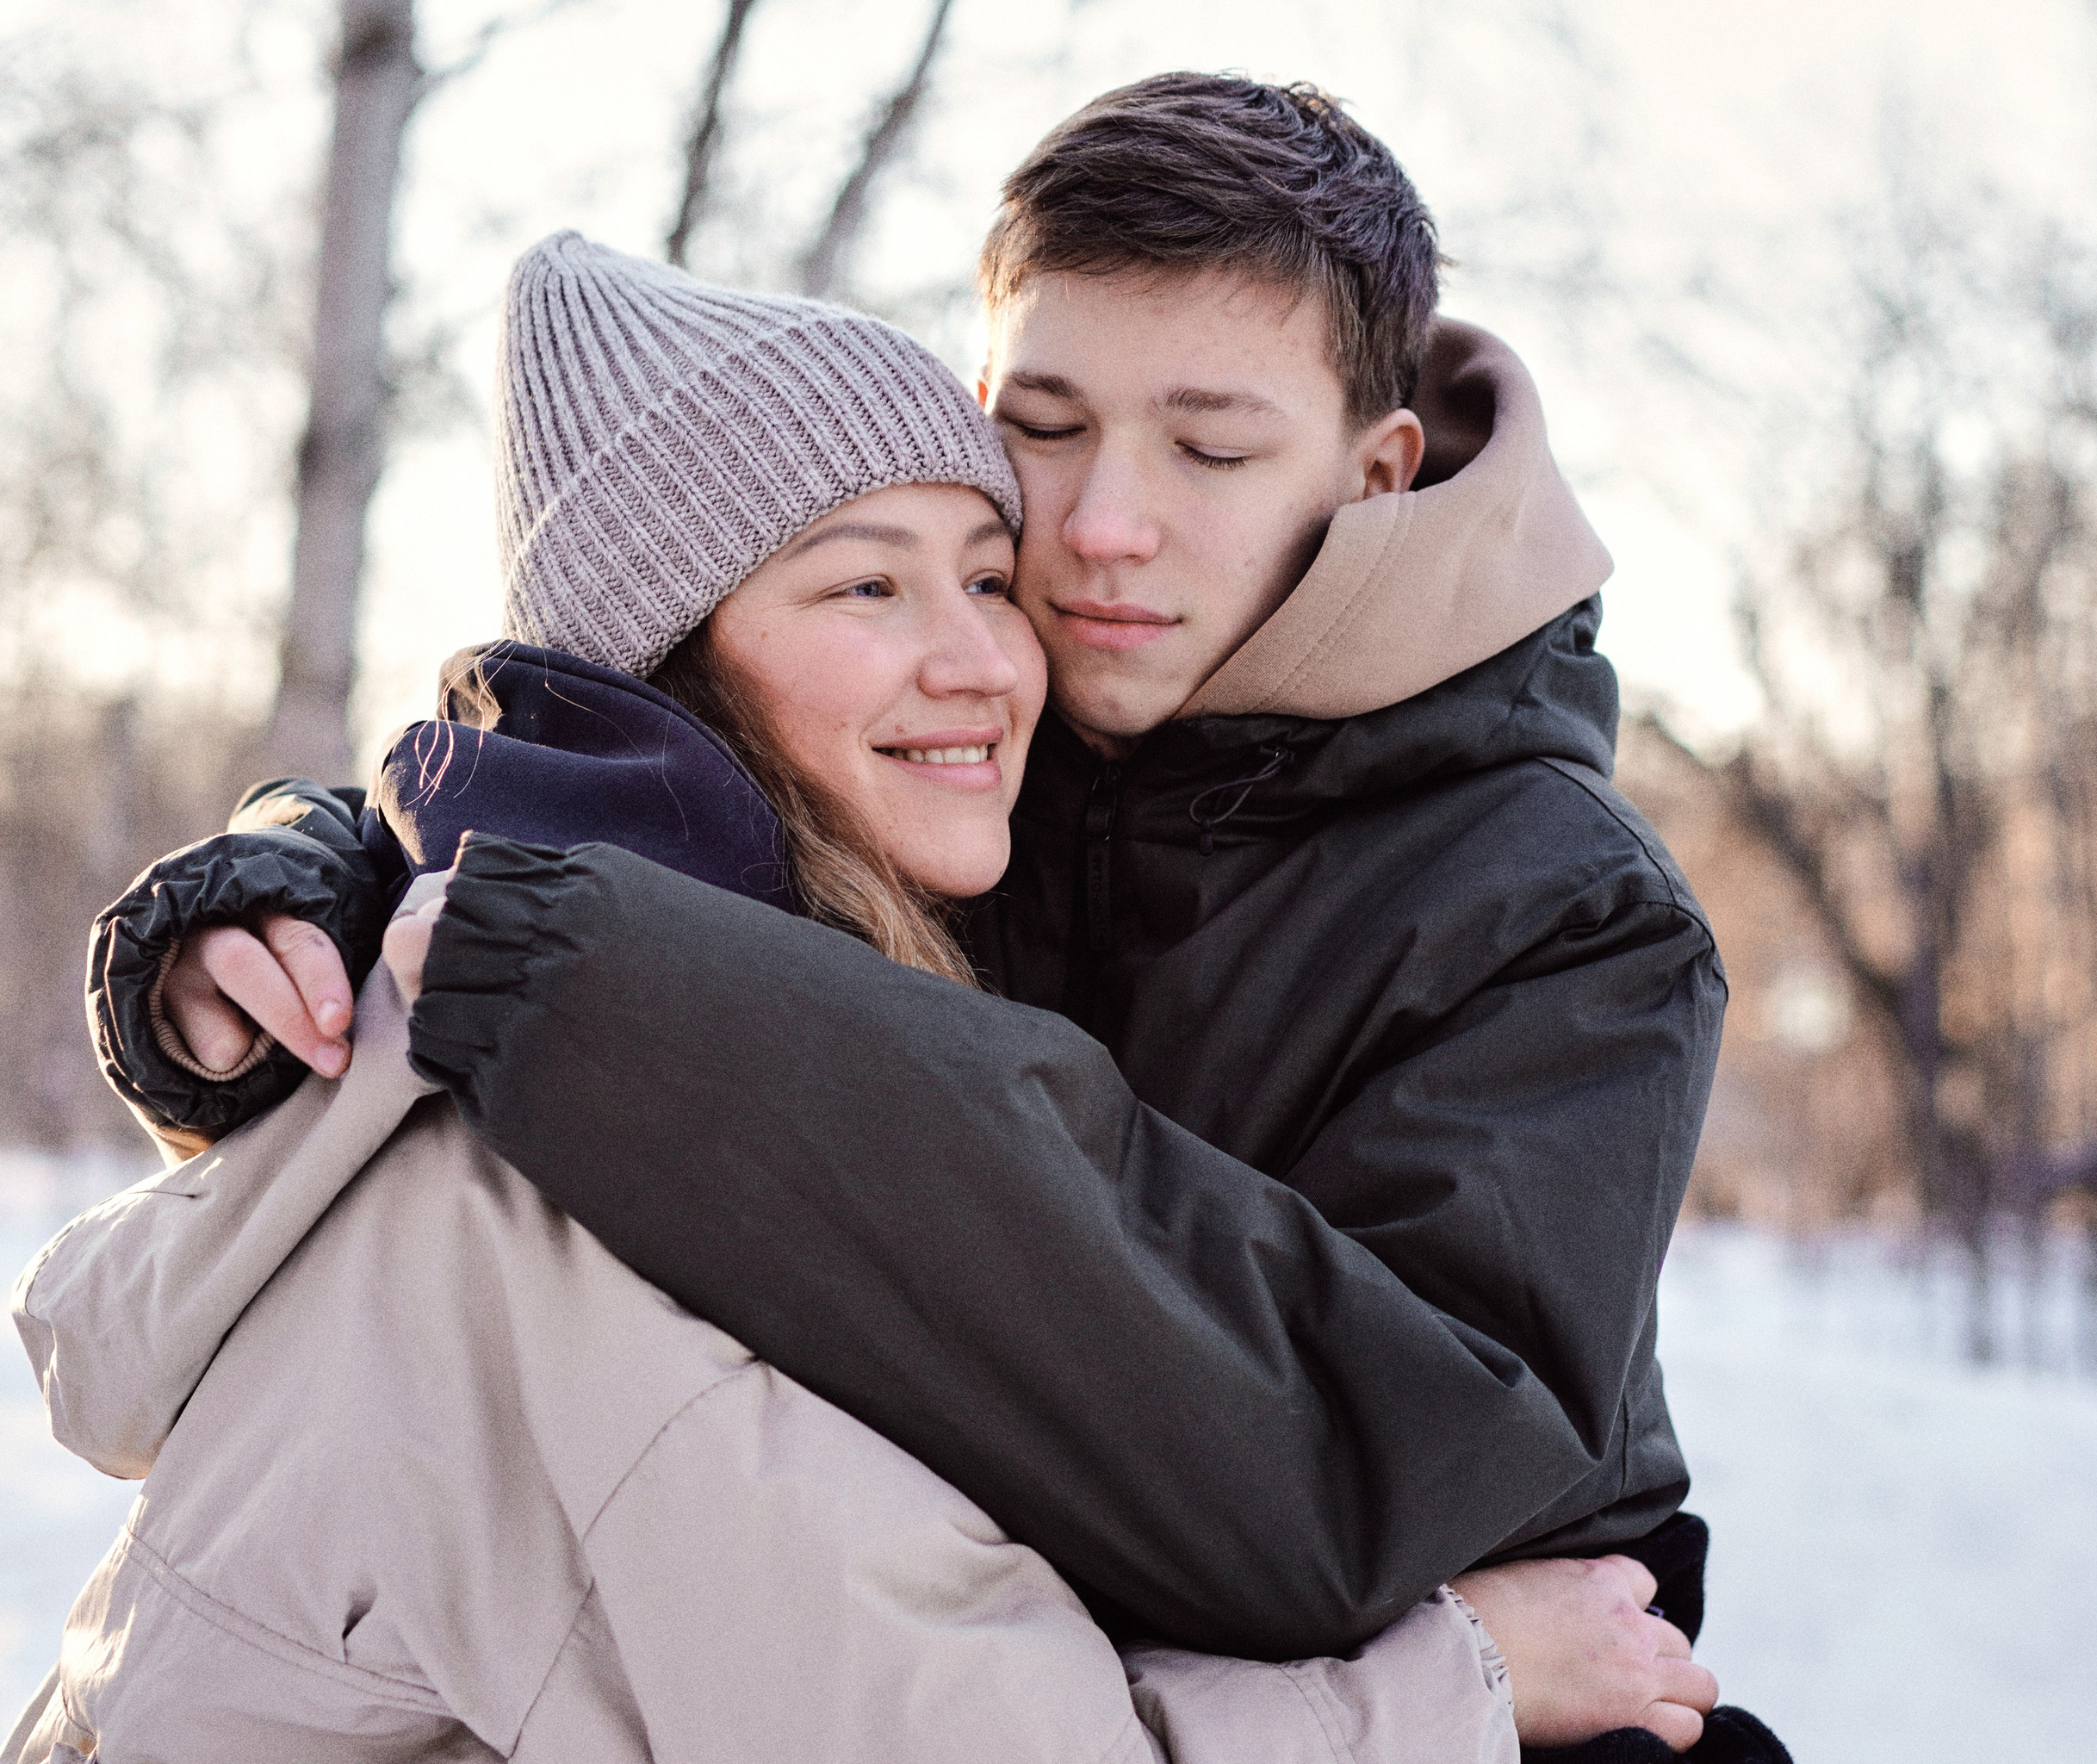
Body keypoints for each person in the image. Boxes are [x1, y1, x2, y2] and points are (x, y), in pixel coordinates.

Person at [89, 78, 1785, 1761]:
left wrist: (608, 979)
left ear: (1374, 467)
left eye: (1207, 446)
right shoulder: (969, 770)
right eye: (1041, 426)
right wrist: (296, 877)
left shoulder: (1556, 912)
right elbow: (629, 735)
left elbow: (1366, 1488)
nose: (1098, 528)